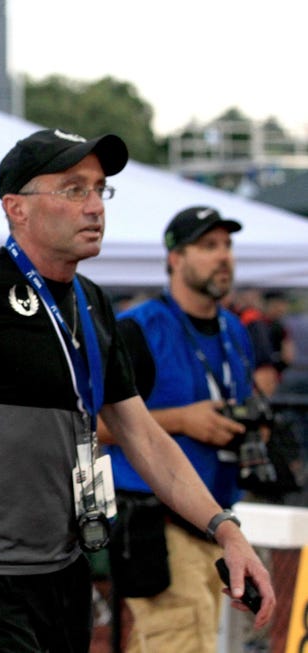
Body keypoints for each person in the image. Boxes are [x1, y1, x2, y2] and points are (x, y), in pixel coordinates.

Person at [0, 128, 275, 652]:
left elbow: (143, 437)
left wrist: (226, 529)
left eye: (99, 190)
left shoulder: (92, 303)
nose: (94, 206)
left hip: (67, 569)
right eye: (74, 190)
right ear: (16, 208)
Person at [102, 206, 276, 652]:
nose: (224, 257)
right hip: (157, 519)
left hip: (217, 518)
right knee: (182, 642)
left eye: (227, 246)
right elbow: (94, 424)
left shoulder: (234, 328)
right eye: (208, 246)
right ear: (175, 258)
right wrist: (182, 420)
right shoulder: (139, 328)